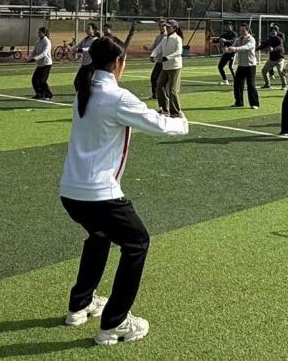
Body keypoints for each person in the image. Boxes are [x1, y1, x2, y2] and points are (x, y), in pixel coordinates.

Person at [60, 36, 189, 345]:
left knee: (99, 236)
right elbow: (158, 124)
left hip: (71, 193)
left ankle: (80, 304)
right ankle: (115, 323)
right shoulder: (117, 96)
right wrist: (182, 123)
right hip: (99, 194)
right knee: (137, 242)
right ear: (118, 63)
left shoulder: (85, 90)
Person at [150, 21, 184, 117]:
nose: (167, 28)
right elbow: (158, 48)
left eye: (169, 27)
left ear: (175, 28)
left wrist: (167, 58)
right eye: (167, 27)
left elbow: (179, 52)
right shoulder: (165, 39)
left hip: (175, 67)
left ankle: (175, 112)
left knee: (172, 90)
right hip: (165, 67)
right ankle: (164, 109)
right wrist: (152, 55)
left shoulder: (177, 39)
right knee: (159, 86)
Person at [225, 24, 260, 109]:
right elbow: (233, 46)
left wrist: (235, 49)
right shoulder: (238, 39)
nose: (241, 32)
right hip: (241, 65)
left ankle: (254, 104)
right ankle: (239, 102)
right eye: (240, 30)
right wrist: (228, 49)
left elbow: (246, 47)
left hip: (250, 65)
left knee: (251, 85)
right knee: (237, 83)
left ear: (248, 30)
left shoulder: (251, 39)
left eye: (243, 30)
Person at [28, 27, 54, 100]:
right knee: (34, 80)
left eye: (40, 32)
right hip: (40, 64)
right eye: (38, 32)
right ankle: (40, 94)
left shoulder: (47, 42)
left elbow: (44, 53)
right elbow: (34, 52)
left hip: (46, 64)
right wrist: (29, 57)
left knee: (42, 81)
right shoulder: (38, 41)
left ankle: (49, 95)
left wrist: (35, 59)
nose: (38, 34)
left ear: (44, 33)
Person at [73, 24, 101, 93]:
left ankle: (90, 96)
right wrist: (72, 49)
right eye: (86, 28)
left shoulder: (96, 40)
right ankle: (80, 95)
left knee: (87, 83)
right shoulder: (85, 39)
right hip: (84, 64)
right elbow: (78, 46)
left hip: (91, 64)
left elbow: (90, 48)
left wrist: (80, 50)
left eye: (89, 28)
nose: (86, 30)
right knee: (76, 82)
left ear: (93, 30)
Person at [146, 20, 166, 100]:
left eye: (163, 26)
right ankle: (155, 95)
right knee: (153, 77)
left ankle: (164, 95)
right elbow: (154, 47)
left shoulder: (167, 37)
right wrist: (148, 49)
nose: (161, 27)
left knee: (163, 81)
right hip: (159, 62)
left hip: (166, 62)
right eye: (160, 26)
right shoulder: (158, 37)